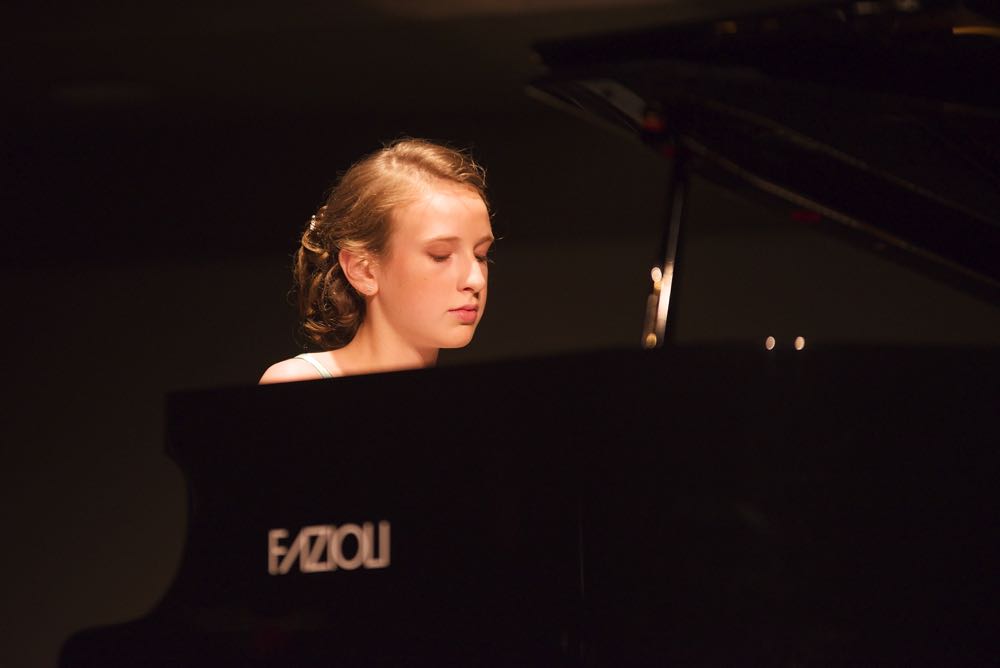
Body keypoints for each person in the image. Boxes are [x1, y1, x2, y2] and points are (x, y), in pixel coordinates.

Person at [259, 138, 494, 383]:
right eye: (440, 255)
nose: (476, 280)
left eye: (480, 255)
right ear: (363, 270)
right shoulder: (297, 379)